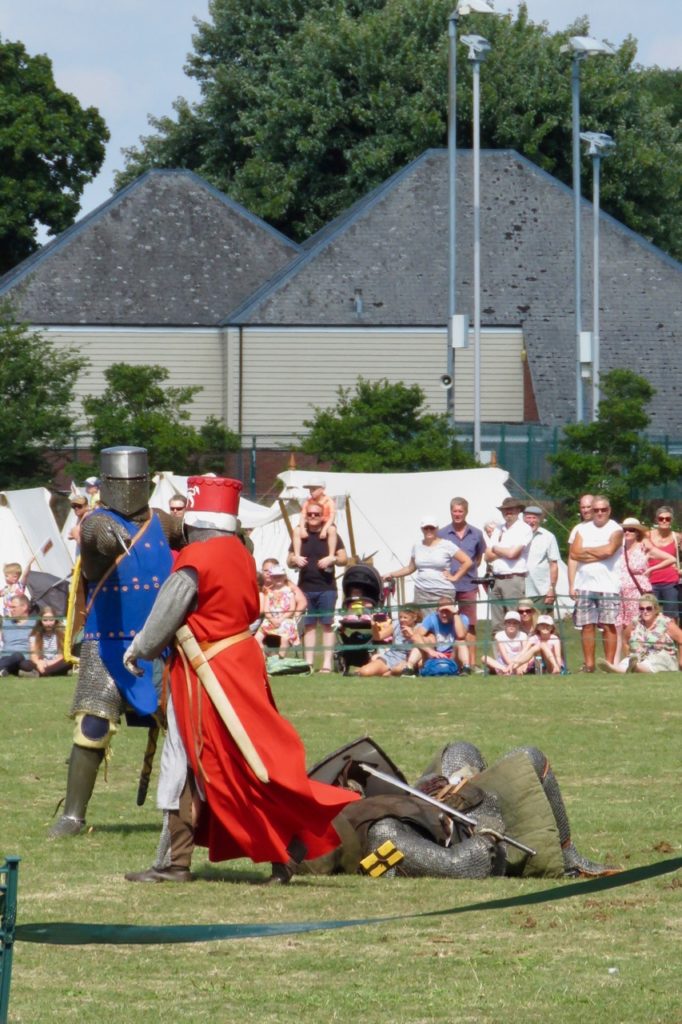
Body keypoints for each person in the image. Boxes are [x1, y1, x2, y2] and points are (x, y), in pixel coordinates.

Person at [123, 475, 360, 885]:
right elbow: (249, 613)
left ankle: (178, 862)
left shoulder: (196, 558)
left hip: (204, 674)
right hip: (241, 663)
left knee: (194, 760)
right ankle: (281, 847)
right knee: (250, 758)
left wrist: (138, 648)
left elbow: (165, 616)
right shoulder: (241, 553)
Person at [48, 446, 182, 839]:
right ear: (106, 483)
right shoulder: (95, 521)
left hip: (159, 642)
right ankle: (73, 816)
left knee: (185, 726)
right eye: (120, 482)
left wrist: (226, 535)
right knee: (92, 726)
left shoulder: (161, 521)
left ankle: (195, 812)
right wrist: (101, 532)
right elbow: (93, 536)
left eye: (134, 482)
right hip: (107, 644)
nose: (127, 489)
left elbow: (191, 534)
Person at [300, 737, 617, 880]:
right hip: (468, 823)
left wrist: (440, 787)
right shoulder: (384, 834)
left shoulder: (361, 811)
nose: (348, 789)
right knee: (531, 757)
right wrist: (487, 836)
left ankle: (463, 780)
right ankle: (568, 857)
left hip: (433, 798)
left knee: (460, 750)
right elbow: (465, 863)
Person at [287, 501, 347, 673]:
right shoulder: (300, 534)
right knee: (309, 626)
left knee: (327, 625)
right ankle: (309, 663)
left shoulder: (330, 534)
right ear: (305, 516)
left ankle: (327, 664)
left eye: (317, 514)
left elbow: (344, 559)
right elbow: (289, 561)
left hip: (326, 587)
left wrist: (332, 558)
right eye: (310, 514)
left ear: (323, 516)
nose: (313, 517)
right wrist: (294, 559)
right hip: (305, 588)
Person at [569, 496, 623, 673]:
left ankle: (609, 665)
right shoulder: (582, 529)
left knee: (608, 625)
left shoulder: (616, 529)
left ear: (609, 510)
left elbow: (609, 550)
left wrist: (587, 551)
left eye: (603, 510)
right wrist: (599, 552)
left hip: (608, 585)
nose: (600, 513)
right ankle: (589, 665)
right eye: (596, 510)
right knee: (587, 625)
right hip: (584, 584)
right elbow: (574, 553)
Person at [614, 517, 674, 662]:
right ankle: (621, 660)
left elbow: (670, 559)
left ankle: (641, 659)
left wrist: (651, 569)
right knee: (620, 627)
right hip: (621, 592)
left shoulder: (643, 546)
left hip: (638, 591)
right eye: (625, 529)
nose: (627, 532)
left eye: (631, 530)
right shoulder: (619, 548)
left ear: (637, 532)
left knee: (637, 626)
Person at [384, 514, 472, 610]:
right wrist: (391, 574)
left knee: (442, 618)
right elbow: (410, 568)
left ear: (437, 529)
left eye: (432, 528)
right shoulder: (417, 546)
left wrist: (455, 577)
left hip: (443, 591)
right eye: (426, 528)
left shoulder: (447, 545)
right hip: (421, 591)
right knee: (422, 619)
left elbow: (467, 561)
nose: (429, 531)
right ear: (422, 529)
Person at [438, 497, 487, 664]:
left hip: (469, 585)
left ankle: (470, 664)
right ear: (450, 512)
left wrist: (467, 570)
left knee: (470, 624)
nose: (457, 514)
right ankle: (449, 661)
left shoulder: (476, 533)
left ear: (466, 512)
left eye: (460, 511)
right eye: (454, 511)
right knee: (446, 622)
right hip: (447, 585)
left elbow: (478, 558)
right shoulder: (442, 533)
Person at [483, 498, 533, 632]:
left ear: (518, 511)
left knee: (515, 618)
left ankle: (519, 645)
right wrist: (504, 550)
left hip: (513, 578)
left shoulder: (524, 529)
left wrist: (496, 549)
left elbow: (513, 554)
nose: (508, 512)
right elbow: (487, 556)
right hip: (496, 578)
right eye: (505, 510)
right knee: (497, 622)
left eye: (511, 510)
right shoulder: (498, 529)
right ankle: (498, 645)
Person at [598, 595, 682, 674]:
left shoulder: (665, 623)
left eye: (648, 608)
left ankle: (633, 668)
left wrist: (681, 661)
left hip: (662, 657)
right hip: (638, 656)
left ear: (656, 609)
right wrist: (628, 654)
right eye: (642, 609)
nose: (645, 611)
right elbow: (625, 640)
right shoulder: (636, 622)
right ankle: (614, 668)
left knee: (651, 661)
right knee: (627, 661)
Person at [354, 606, 423, 677]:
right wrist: (374, 626)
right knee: (365, 672)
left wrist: (411, 635)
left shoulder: (421, 627)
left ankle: (389, 673)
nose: (402, 620)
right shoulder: (396, 624)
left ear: (414, 618)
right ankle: (384, 673)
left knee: (397, 670)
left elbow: (422, 646)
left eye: (405, 618)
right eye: (400, 617)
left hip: (408, 658)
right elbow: (378, 637)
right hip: (392, 656)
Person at [255, 562, 307, 657]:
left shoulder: (289, 591)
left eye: (280, 576)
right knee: (257, 638)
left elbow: (292, 608)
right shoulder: (269, 592)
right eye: (275, 577)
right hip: (270, 619)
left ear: (284, 577)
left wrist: (281, 619)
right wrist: (272, 619)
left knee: (285, 638)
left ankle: (280, 658)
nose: (278, 579)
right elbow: (266, 608)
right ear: (271, 578)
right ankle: (264, 658)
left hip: (285, 618)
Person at [414, 595, 471, 673]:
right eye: (442, 612)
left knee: (460, 641)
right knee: (422, 640)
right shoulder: (431, 618)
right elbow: (416, 637)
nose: (444, 615)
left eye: (447, 611)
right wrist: (431, 652)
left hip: (453, 657)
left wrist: (455, 614)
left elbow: (461, 635)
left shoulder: (462, 618)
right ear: (437, 611)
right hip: (435, 656)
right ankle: (409, 668)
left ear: (453, 610)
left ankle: (466, 667)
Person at [647, 506, 681, 622]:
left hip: (671, 582)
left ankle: (672, 635)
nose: (664, 521)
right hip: (650, 581)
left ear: (672, 520)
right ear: (656, 519)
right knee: (649, 615)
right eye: (661, 518)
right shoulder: (648, 535)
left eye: (668, 519)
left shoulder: (677, 537)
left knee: (671, 617)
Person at [523, 505, 560, 612]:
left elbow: (554, 565)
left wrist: (551, 589)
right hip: (519, 590)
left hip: (541, 591)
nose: (531, 521)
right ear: (523, 519)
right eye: (528, 518)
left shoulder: (548, 537)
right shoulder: (516, 535)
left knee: (541, 621)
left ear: (539, 519)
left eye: (534, 518)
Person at [292, 481, 338, 563]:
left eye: (313, 489)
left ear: (322, 489)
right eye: (310, 490)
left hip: (326, 524)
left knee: (332, 530)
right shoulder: (308, 501)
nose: (311, 492)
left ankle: (331, 555)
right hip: (310, 524)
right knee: (296, 530)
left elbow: (332, 517)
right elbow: (302, 516)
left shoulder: (329, 501)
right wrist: (302, 528)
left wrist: (324, 529)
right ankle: (297, 555)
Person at [481, 610, 529, 676]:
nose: (511, 625)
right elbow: (504, 654)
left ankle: (508, 671)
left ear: (519, 624)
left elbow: (525, 652)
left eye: (515, 623)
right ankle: (504, 669)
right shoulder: (499, 635)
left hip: (518, 660)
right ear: (505, 624)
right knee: (484, 658)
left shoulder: (523, 635)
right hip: (504, 661)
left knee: (531, 657)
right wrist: (511, 665)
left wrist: (519, 664)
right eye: (509, 623)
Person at [0, 594, 36, 676]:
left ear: (24, 607)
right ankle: (6, 670)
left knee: (18, 656)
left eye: (14, 607)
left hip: (24, 660)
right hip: (6, 658)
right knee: (14, 657)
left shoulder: (35, 624)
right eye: (10, 607)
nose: (11, 610)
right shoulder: (6, 623)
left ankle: (5, 670)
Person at [29, 606, 70, 677]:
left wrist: (48, 663)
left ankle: (44, 672)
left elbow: (62, 655)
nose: (48, 623)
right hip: (42, 663)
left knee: (67, 662)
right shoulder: (35, 634)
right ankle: (49, 672)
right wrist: (39, 663)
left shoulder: (62, 633)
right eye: (45, 620)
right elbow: (34, 656)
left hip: (56, 662)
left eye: (51, 620)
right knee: (25, 664)